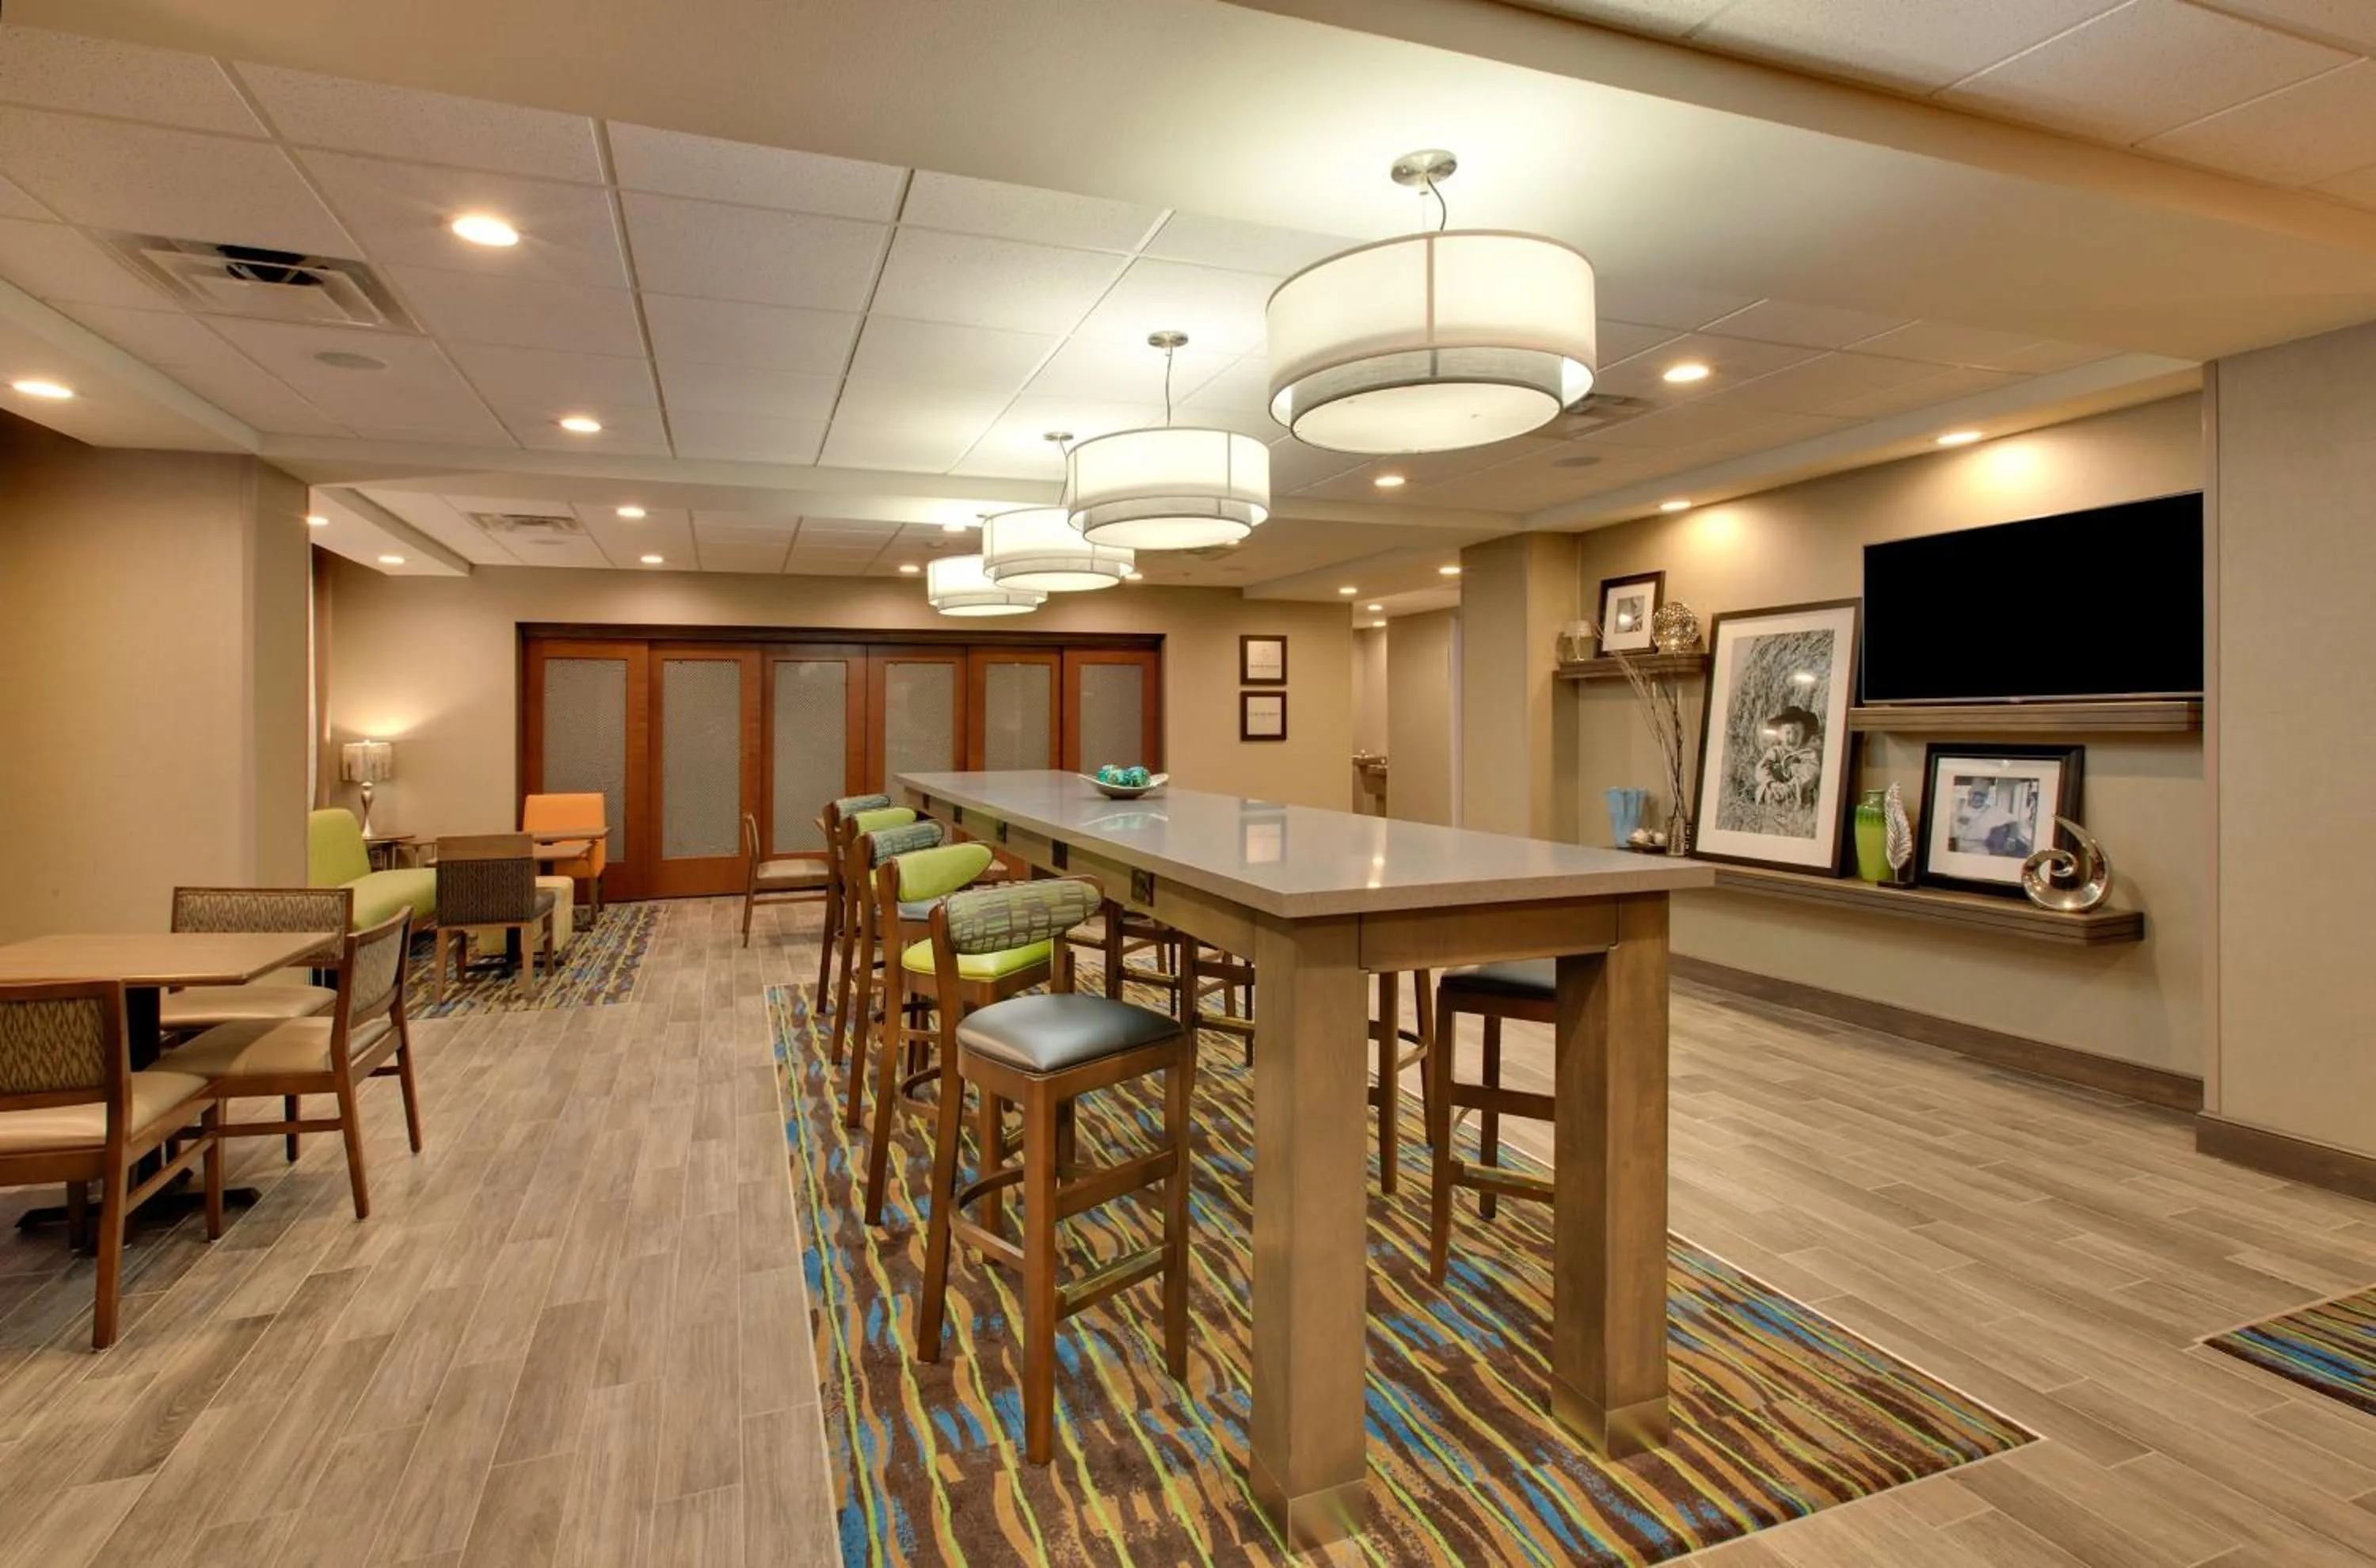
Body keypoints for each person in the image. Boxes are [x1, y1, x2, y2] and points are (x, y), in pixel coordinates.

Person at [1753, 706, 1823, 809]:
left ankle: (1794, 806)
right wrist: (1772, 784)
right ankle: (1770, 804)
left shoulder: (1807, 753)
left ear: (1804, 734)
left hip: (1797, 790)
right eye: (1788, 733)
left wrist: (1790, 787)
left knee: (1802, 781)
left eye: (1797, 733)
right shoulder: (1775, 751)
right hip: (1775, 788)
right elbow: (1762, 768)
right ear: (1780, 735)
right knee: (1764, 786)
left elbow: (1810, 772)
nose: (1792, 737)